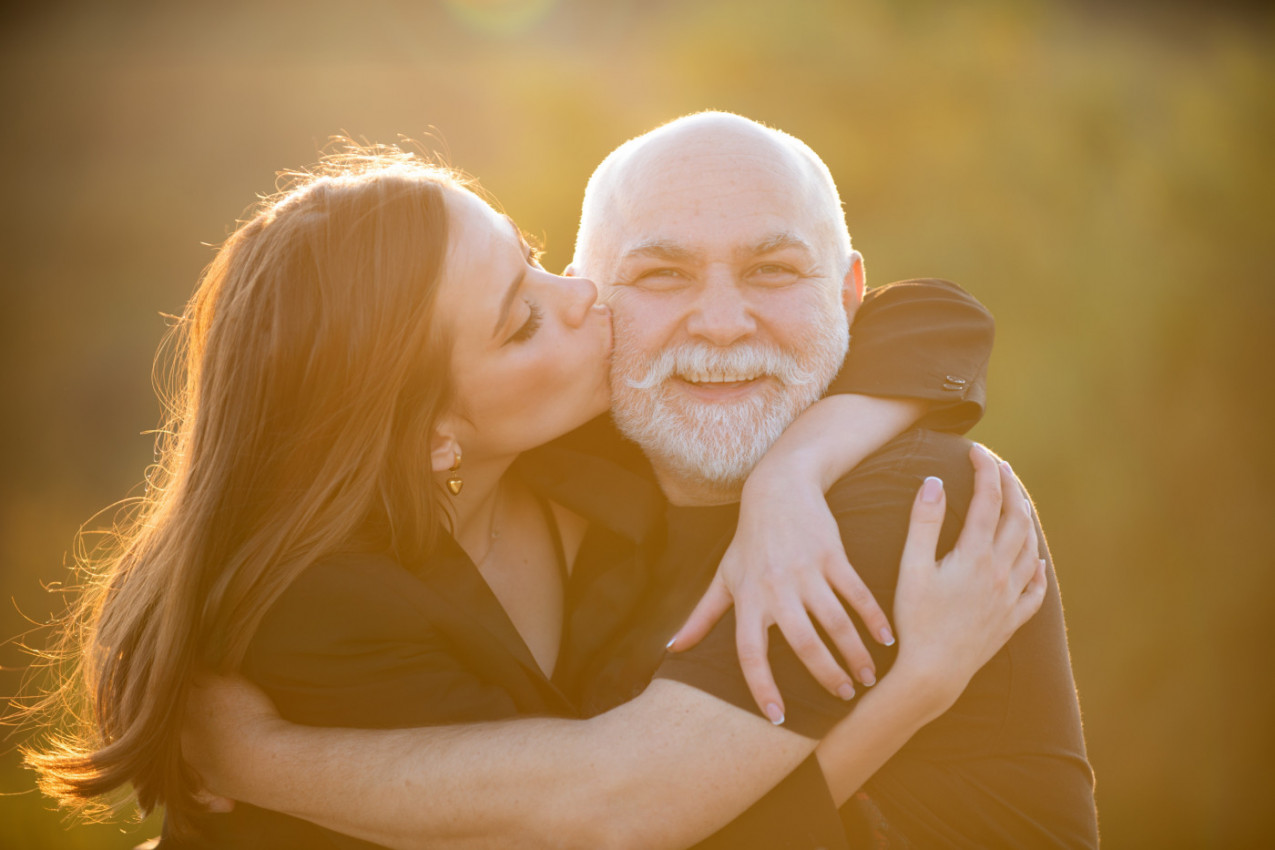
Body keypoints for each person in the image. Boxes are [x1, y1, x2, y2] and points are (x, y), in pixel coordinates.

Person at [24, 131, 1038, 849]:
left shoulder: (575, 451)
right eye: (521, 320)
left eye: (535, 261)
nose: (582, 301)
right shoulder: (316, 616)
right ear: (431, 436)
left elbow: (931, 318)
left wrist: (791, 470)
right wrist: (260, 759)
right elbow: (608, 814)